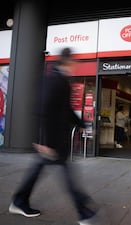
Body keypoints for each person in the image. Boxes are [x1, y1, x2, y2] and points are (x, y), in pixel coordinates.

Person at [8, 47, 98, 225]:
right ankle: (83, 212)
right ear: (68, 62)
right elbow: (42, 109)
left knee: (39, 170)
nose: (75, 66)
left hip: (54, 140)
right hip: (52, 140)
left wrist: (82, 126)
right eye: (74, 62)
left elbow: (66, 110)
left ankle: (19, 201)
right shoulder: (54, 79)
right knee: (66, 175)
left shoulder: (61, 79)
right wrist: (43, 141)